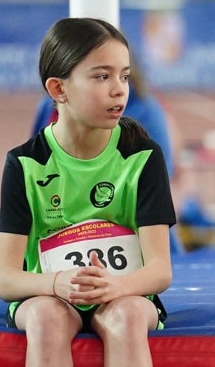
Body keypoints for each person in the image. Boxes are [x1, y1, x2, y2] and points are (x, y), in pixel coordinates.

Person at [0, 17, 176, 367]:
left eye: (123, 74)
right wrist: (57, 283)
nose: (118, 89)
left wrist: (114, 287)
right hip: (51, 292)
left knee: (124, 318)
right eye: (100, 76)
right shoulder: (25, 165)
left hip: (122, 291)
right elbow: (7, 279)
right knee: (48, 317)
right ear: (58, 89)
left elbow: (160, 271)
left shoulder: (141, 156)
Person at [30, 61, 185, 255]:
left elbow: (158, 182)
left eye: (120, 76)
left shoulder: (145, 109)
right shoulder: (49, 106)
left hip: (136, 241)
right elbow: (37, 168)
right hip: (64, 239)